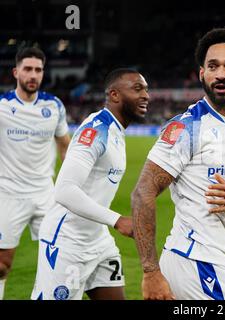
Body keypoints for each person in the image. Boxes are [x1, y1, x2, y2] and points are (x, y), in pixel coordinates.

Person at [132, 28, 225, 300]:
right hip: (196, 259)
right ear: (201, 74)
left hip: (221, 260)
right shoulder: (186, 127)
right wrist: (150, 272)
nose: (220, 74)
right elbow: (142, 192)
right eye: (212, 66)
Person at [31, 68, 149, 300]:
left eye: (146, 89)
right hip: (67, 242)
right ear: (114, 95)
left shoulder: (116, 130)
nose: (146, 95)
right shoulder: (96, 130)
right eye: (137, 89)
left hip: (98, 240)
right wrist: (117, 220)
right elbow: (64, 191)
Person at [0, 47, 71, 300]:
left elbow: (65, 146)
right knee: (1, 266)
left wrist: (73, 185)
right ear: (16, 71)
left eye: (38, 70)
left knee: (58, 261)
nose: (33, 75)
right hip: (9, 195)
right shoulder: (2, 107)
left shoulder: (54, 106)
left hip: (45, 195)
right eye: (28, 69)